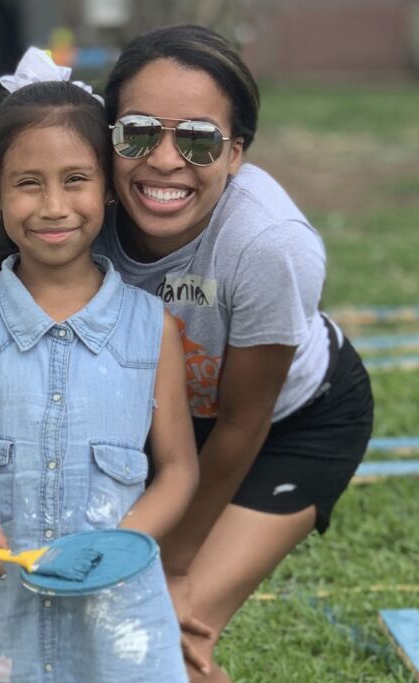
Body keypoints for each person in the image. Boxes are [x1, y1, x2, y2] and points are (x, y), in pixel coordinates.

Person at [0, 48, 198, 682]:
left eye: (76, 179)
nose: (53, 205)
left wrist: (116, 546)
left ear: (108, 189)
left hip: (120, 618)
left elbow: (180, 469)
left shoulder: (152, 330)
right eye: (28, 183)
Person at [94, 25, 374, 682]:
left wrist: (170, 563)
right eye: (137, 131)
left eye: (196, 139)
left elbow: (241, 423)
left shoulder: (268, 244)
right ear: (106, 137)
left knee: (157, 633)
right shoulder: (77, 203)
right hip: (158, 422)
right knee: (104, 625)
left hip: (288, 426)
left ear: (235, 153)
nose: (164, 160)